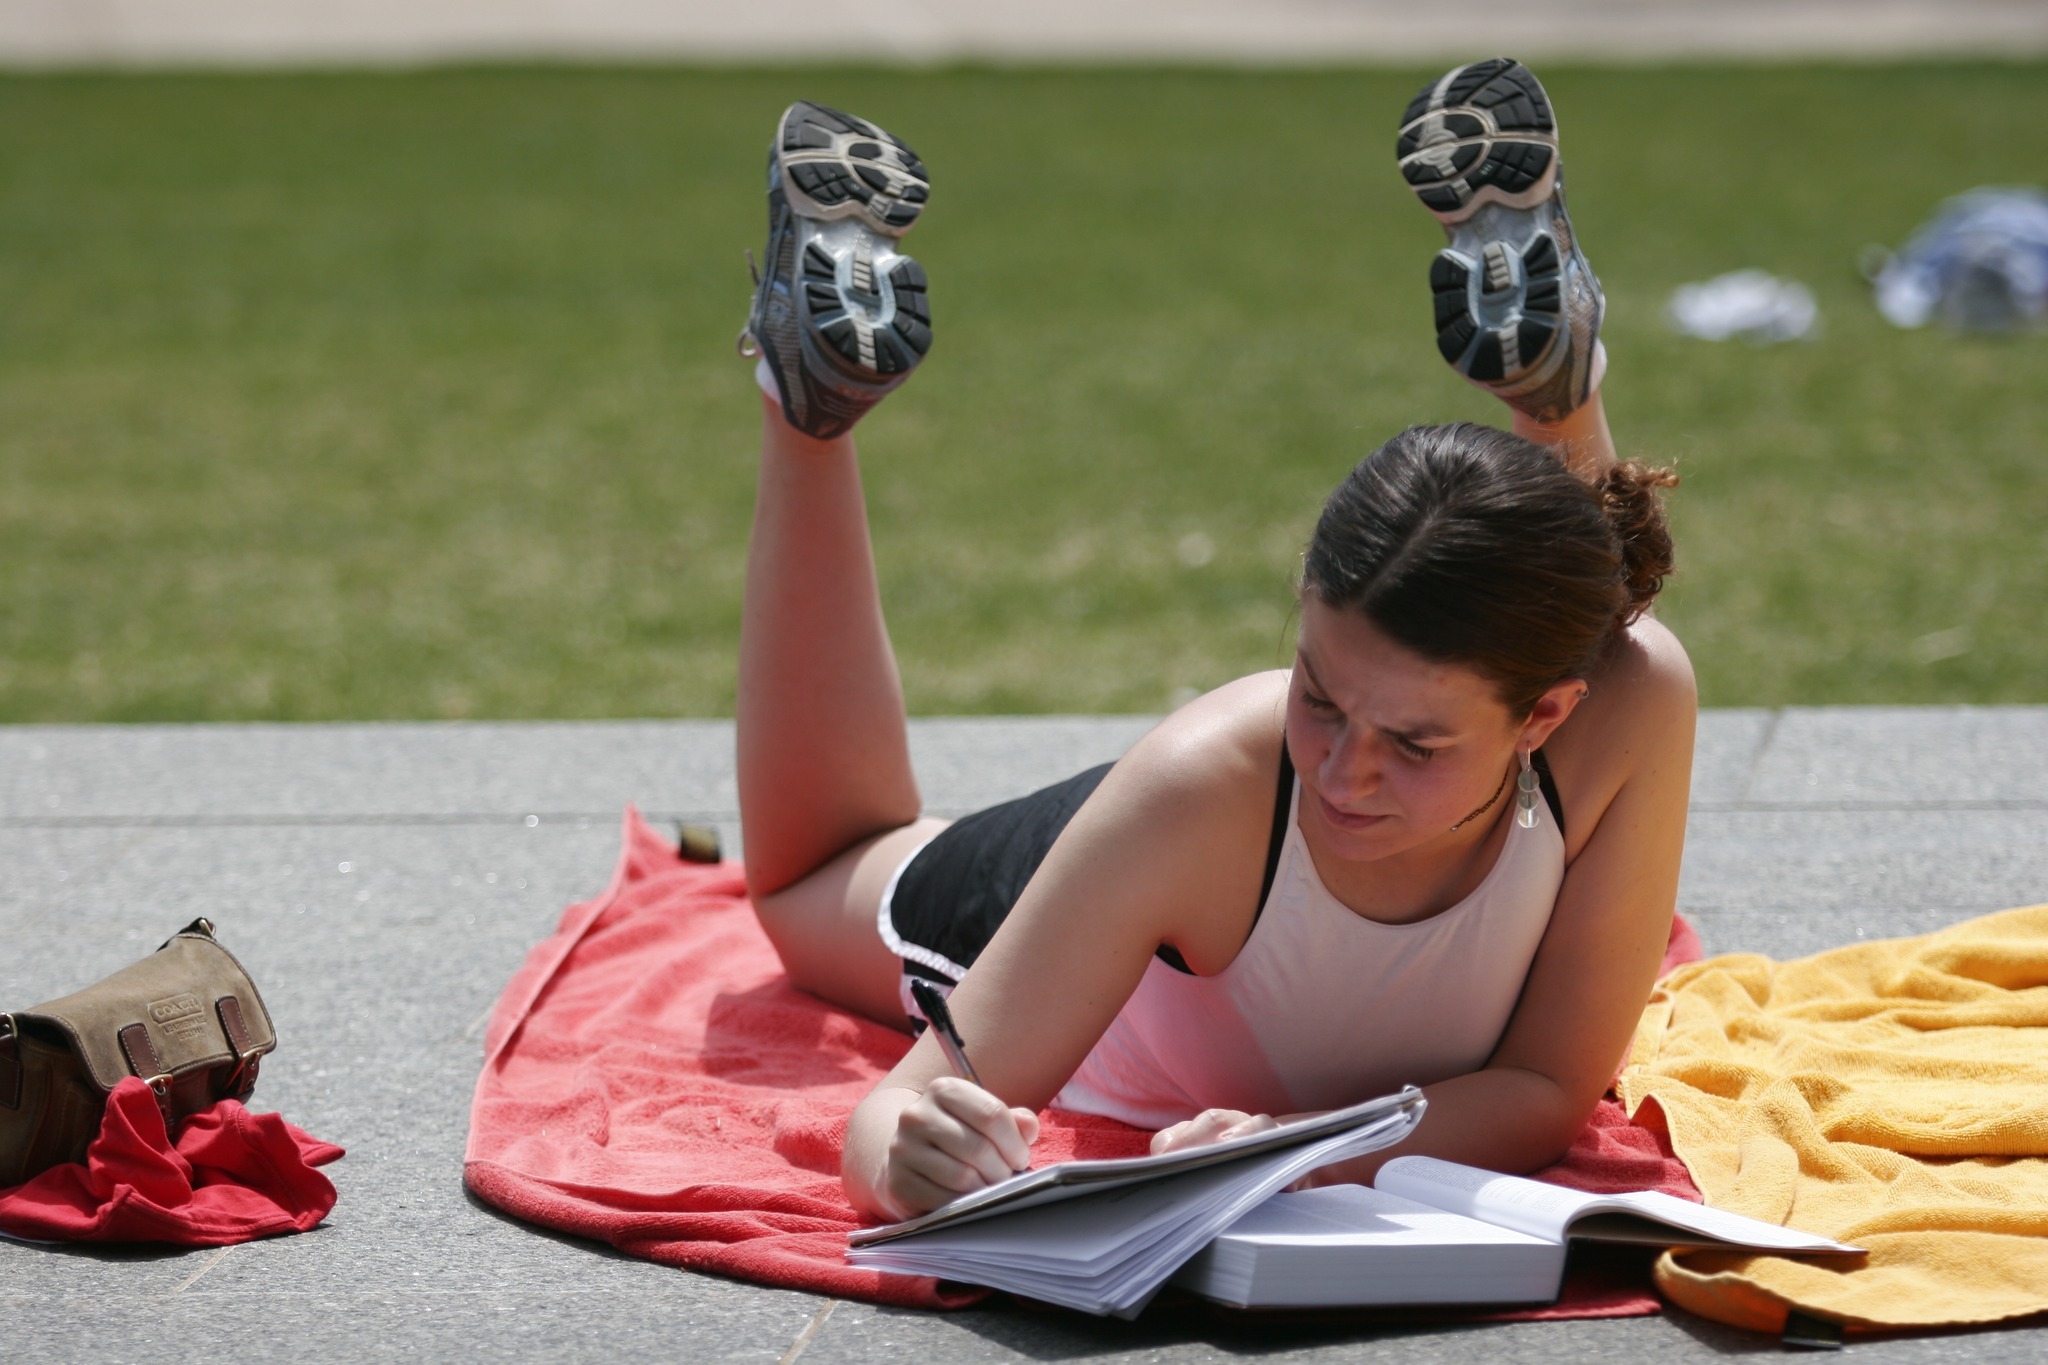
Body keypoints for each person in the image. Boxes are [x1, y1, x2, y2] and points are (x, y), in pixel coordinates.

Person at [733, 59, 1695, 1223]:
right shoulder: (1205, 784)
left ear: (1546, 714)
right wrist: (911, 1160)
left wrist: (1296, 1146)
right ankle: (806, 417)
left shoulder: (1628, 699)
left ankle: (1557, 416)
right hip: (1140, 866)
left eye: (1413, 743)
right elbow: (897, 1112)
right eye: (1321, 697)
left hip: (1231, 878)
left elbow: (1549, 1087)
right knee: (805, 883)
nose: (1343, 774)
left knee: (1569, 608)